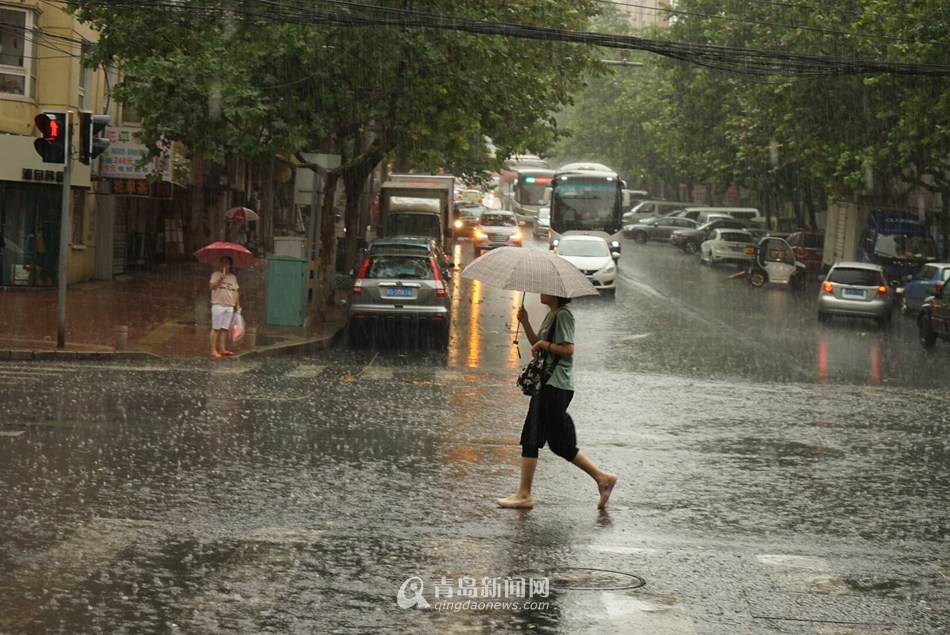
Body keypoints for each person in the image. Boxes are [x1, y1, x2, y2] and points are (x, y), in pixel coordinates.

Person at [497, 294, 617, 510]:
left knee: (532, 437)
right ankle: (602, 478)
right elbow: (539, 346)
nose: (541, 292)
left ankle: (524, 494)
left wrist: (544, 343)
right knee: (559, 443)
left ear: (555, 294)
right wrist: (525, 323)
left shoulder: (564, 316)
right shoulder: (552, 315)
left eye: (545, 290)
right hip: (550, 385)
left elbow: (568, 349)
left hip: (555, 385)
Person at [209, 256, 240, 359]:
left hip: (229, 306)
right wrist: (220, 279)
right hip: (218, 305)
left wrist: (237, 304)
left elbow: (235, 291)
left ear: (230, 265)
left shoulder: (233, 277)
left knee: (224, 329)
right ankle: (213, 350)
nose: (224, 265)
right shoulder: (215, 275)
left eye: (226, 263)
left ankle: (222, 349)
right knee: (216, 328)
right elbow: (212, 287)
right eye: (222, 262)